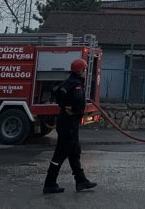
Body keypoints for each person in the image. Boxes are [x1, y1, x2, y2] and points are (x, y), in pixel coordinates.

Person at [43, 58, 97, 194]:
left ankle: (81, 181)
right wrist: (74, 109)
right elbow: (78, 99)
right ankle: (49, 183)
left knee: (74, 152)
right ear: (79, 71)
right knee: (60, 154)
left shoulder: (67, 83)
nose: (85, 72)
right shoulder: (76, 85)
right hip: (69, 124)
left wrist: (64, 106)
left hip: (66, 123)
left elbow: (56, 91)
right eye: (84, 69)